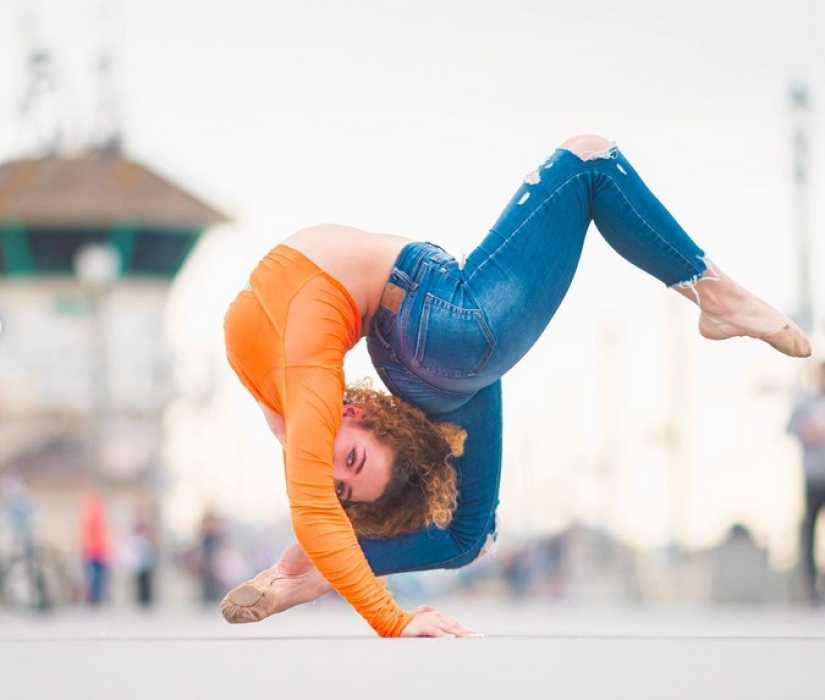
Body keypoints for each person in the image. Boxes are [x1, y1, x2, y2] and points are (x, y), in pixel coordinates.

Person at [220, 133, 811, 637]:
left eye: (347, 463)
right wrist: (393, 621)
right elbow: (315, 510)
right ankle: (714, 293)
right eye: (349, 481)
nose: (331, 472)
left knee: (461, 537)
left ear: (360, 413)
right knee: (588, 161)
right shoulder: (302, 397)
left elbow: (315, 514)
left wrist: (324, 556)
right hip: (438, 335)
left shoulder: (302, 395)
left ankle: (322, 572)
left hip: (430, 332)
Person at [787, 360, 825, 605]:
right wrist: (807, 430)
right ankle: (810, 590)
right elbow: (789, 428)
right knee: (808, 533)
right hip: (813, 477)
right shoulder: (805, 403)